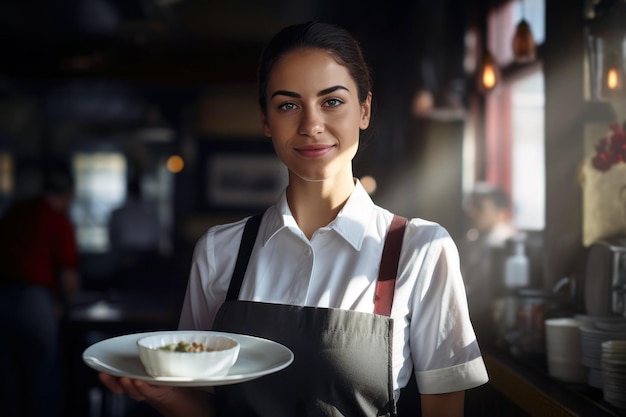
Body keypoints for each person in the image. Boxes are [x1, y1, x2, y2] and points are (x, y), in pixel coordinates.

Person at [99, 21, 488, 416]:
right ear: (266, 120)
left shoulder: (421, 249)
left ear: (365, 110)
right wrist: (162, 393)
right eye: (288, 105)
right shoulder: (219, 251)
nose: (311, 125)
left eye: (332, 101)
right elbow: (205, 403)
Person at [0, 162, 81, 417]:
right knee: (43, 379)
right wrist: (68, 306)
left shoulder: (16, 210)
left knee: (7, 380)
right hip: (35, 302)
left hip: (2, 298)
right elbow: (68, 276)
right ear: (68, 194)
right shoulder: (58, 218)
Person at [458, 182, 517, 344]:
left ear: (501, 212)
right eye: (470, 206)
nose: (471, 212)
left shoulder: (507, 243)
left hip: (493, 325)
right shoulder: (472, 240)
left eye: (479, 207)